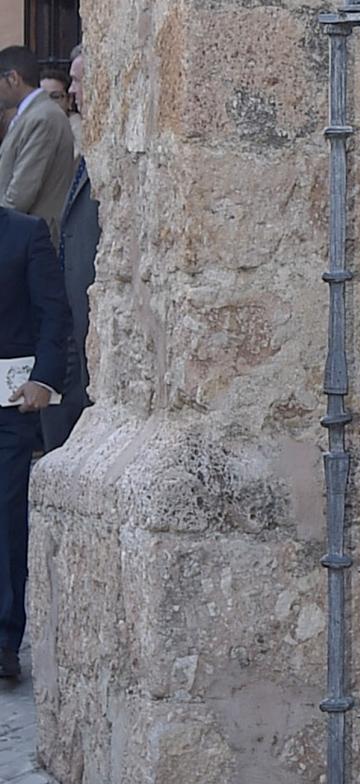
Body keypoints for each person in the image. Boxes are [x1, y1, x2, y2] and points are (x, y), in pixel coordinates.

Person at [0, 208, 69, 681]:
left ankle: (4, 641)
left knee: (6, 517)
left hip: (8, 403)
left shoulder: (26, 233)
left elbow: (53, 313)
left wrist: (43, 378)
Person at [41, 51, 96, 452]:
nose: (73, 94)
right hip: (71, 318)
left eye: (78, 82)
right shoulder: (87, 149)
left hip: (91, 318)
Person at [0, 47, 76, 241]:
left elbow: (21, 192)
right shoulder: (30, 115)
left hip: (33, 240)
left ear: (13, 78)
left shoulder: (43, 117)